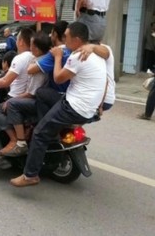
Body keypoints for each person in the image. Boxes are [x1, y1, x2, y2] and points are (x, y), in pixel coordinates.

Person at [11, 22, 107, 187]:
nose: (64, 40)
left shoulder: (76, 56)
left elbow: (58, 78)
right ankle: (49, 131)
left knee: (39, 133)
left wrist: (57, 58)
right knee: (43, 93)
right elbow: (105, 78)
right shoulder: (98, 54)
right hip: (87, 106)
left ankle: (30, 175)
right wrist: (100, 103)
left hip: (73, 107)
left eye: (67, 37)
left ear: (77, 39)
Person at [0, 32, 51, 157]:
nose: (30, 47)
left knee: (6, 106)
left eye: (32, 45)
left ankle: (18, 142)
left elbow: (30, 93)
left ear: (37, 48)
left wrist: (13, 99)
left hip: (34, 98)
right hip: (40, 97)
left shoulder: (38, 67)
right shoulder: (38, 59)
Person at [0, 28, 35, 154]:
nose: (16, 42)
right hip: (30, 97)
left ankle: (14, 140)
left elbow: (5, 82)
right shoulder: (35, 57)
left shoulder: (20, 58)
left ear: (21, 41)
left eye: (17, 39)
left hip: (15, 97)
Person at [29, 21, 71, 119]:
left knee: (40, 92)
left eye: (51, 33)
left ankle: (42, 123)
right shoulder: (74, 51)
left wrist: (33, 60)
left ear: (55, 34)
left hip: (58, 96)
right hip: (72, 96)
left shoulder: (54, 52)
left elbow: (31, 70)